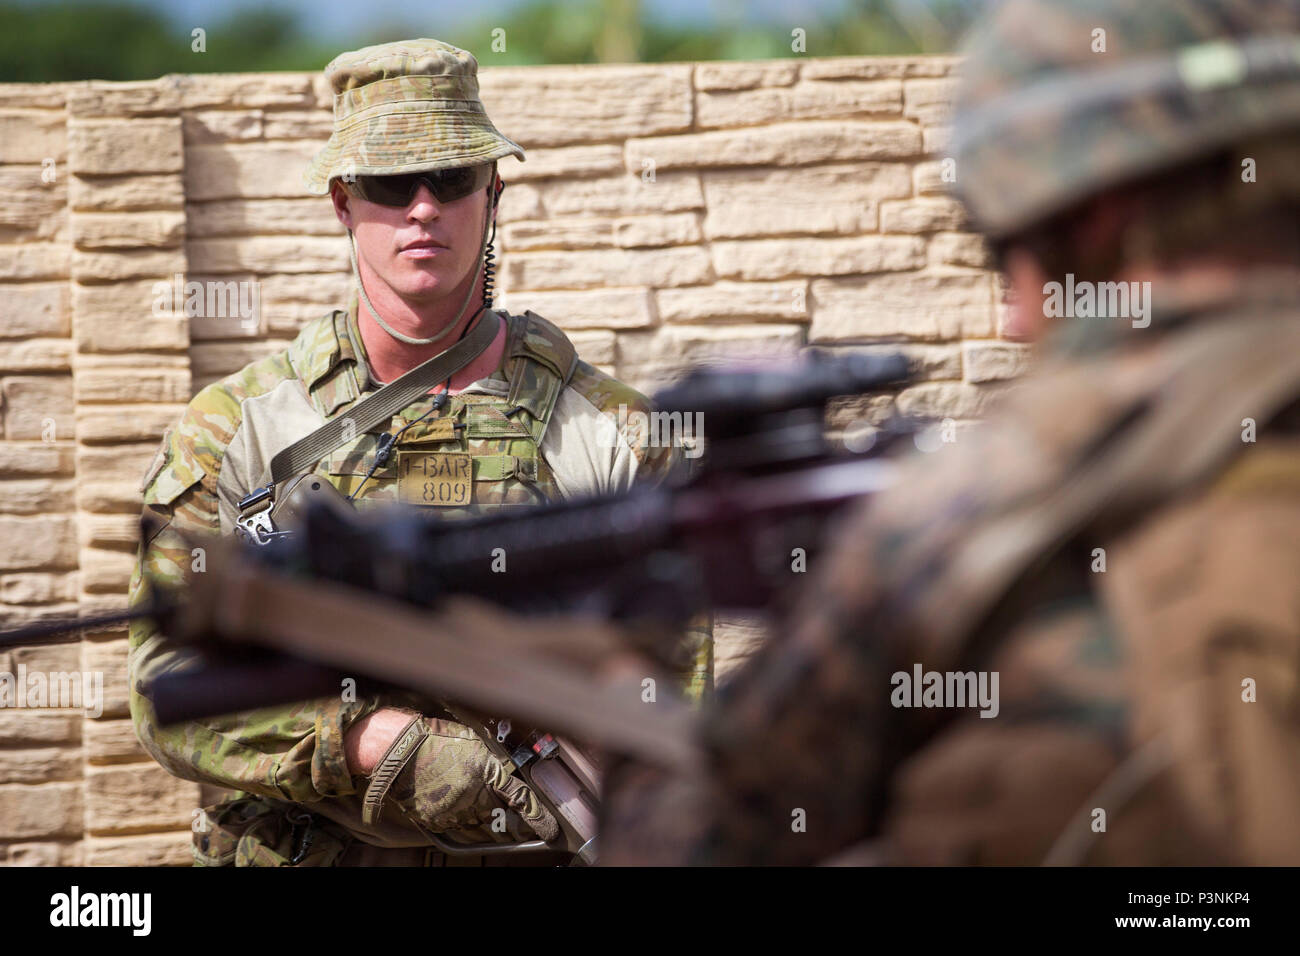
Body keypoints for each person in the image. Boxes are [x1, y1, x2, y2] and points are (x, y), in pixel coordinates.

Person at [600, 0, 1300, 865]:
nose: (1012, 317)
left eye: (1004, 249)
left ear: (1098, 216)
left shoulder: (979, 504)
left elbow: (693, 845)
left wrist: (621, 694)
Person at [127, 38, 709, 866]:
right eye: (391, 184)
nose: (424, 208)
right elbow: (164, 690)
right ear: (342, 201)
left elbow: (673, 723)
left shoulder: (615, 437)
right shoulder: (236, 434)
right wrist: (374, 743)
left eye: (453, 178)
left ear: (494, 191)